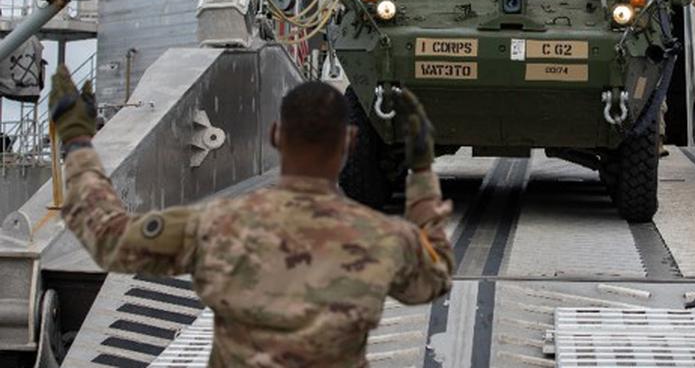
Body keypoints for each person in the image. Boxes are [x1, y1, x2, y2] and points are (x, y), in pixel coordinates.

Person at [51, 67, 454, 367]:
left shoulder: (215, 224)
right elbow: (434, 278)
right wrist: (421, 172)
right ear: (349, 141)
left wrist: (78, 141)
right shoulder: (383, 238)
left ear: (277, 136)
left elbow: (108, 237)